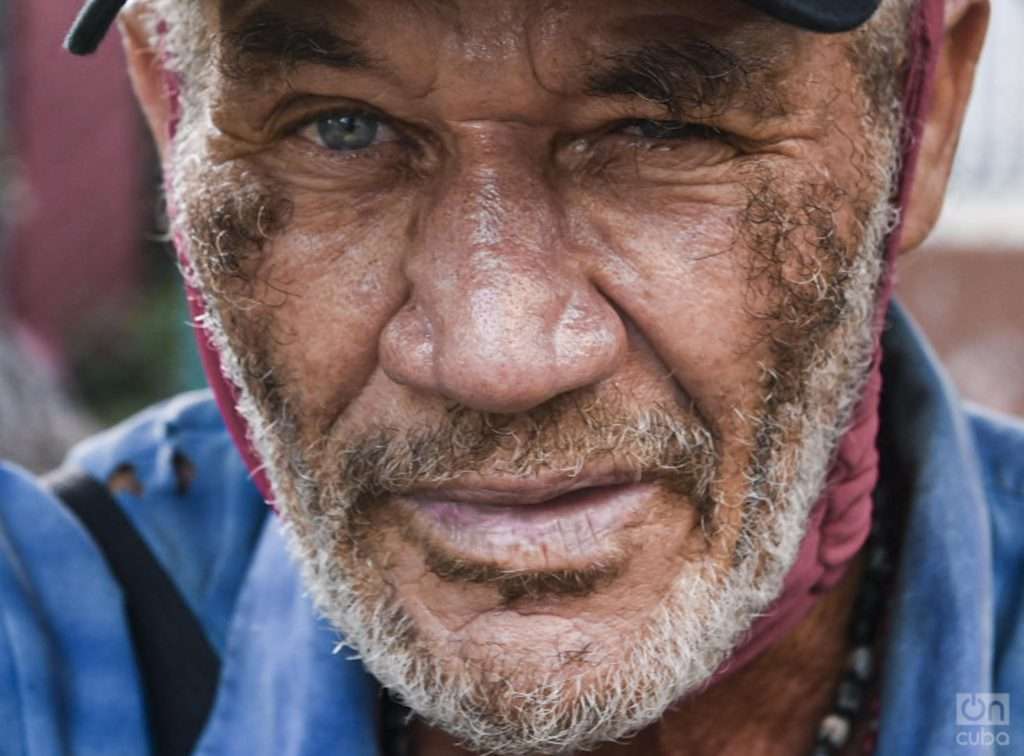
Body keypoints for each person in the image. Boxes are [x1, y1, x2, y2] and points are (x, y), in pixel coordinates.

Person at [0, 0, 1019, 754]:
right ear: (170, 119)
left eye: (661, 127)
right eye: (338, 126)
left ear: (920, 123)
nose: (496, 355)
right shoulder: (45, 643)